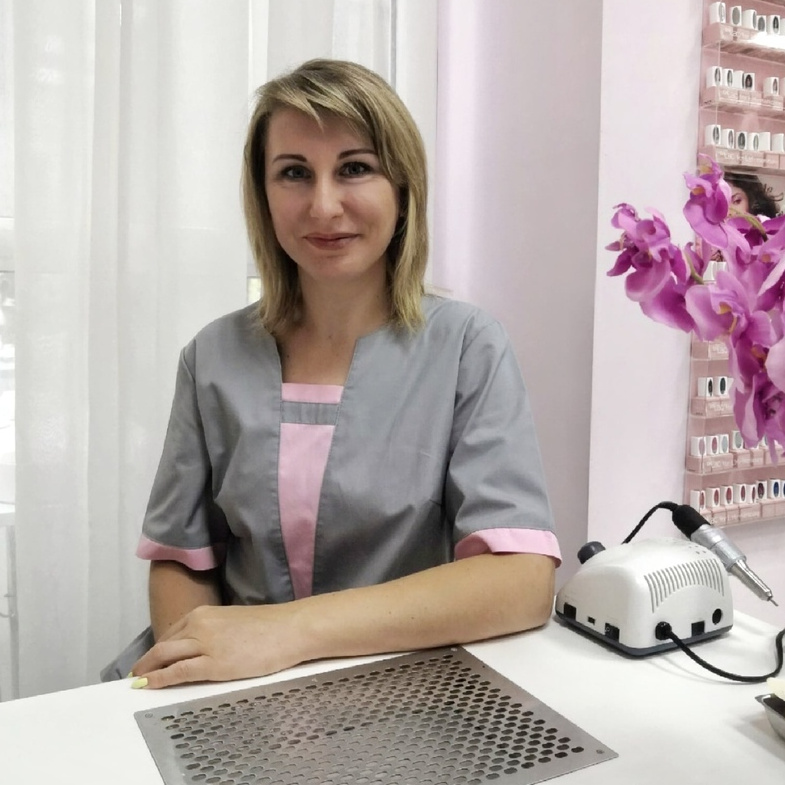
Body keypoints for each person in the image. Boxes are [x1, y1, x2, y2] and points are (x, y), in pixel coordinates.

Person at [129, 59, 561, 690]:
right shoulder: (213, 357)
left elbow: (520, 580)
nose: (324, 205)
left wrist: (288, 633)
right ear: (263, 195)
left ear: (402, 188)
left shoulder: (467, 346)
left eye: (355, 168)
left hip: (407, 694)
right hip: (242, 695)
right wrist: (210, 680)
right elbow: (181, 558)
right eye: (294, 173)